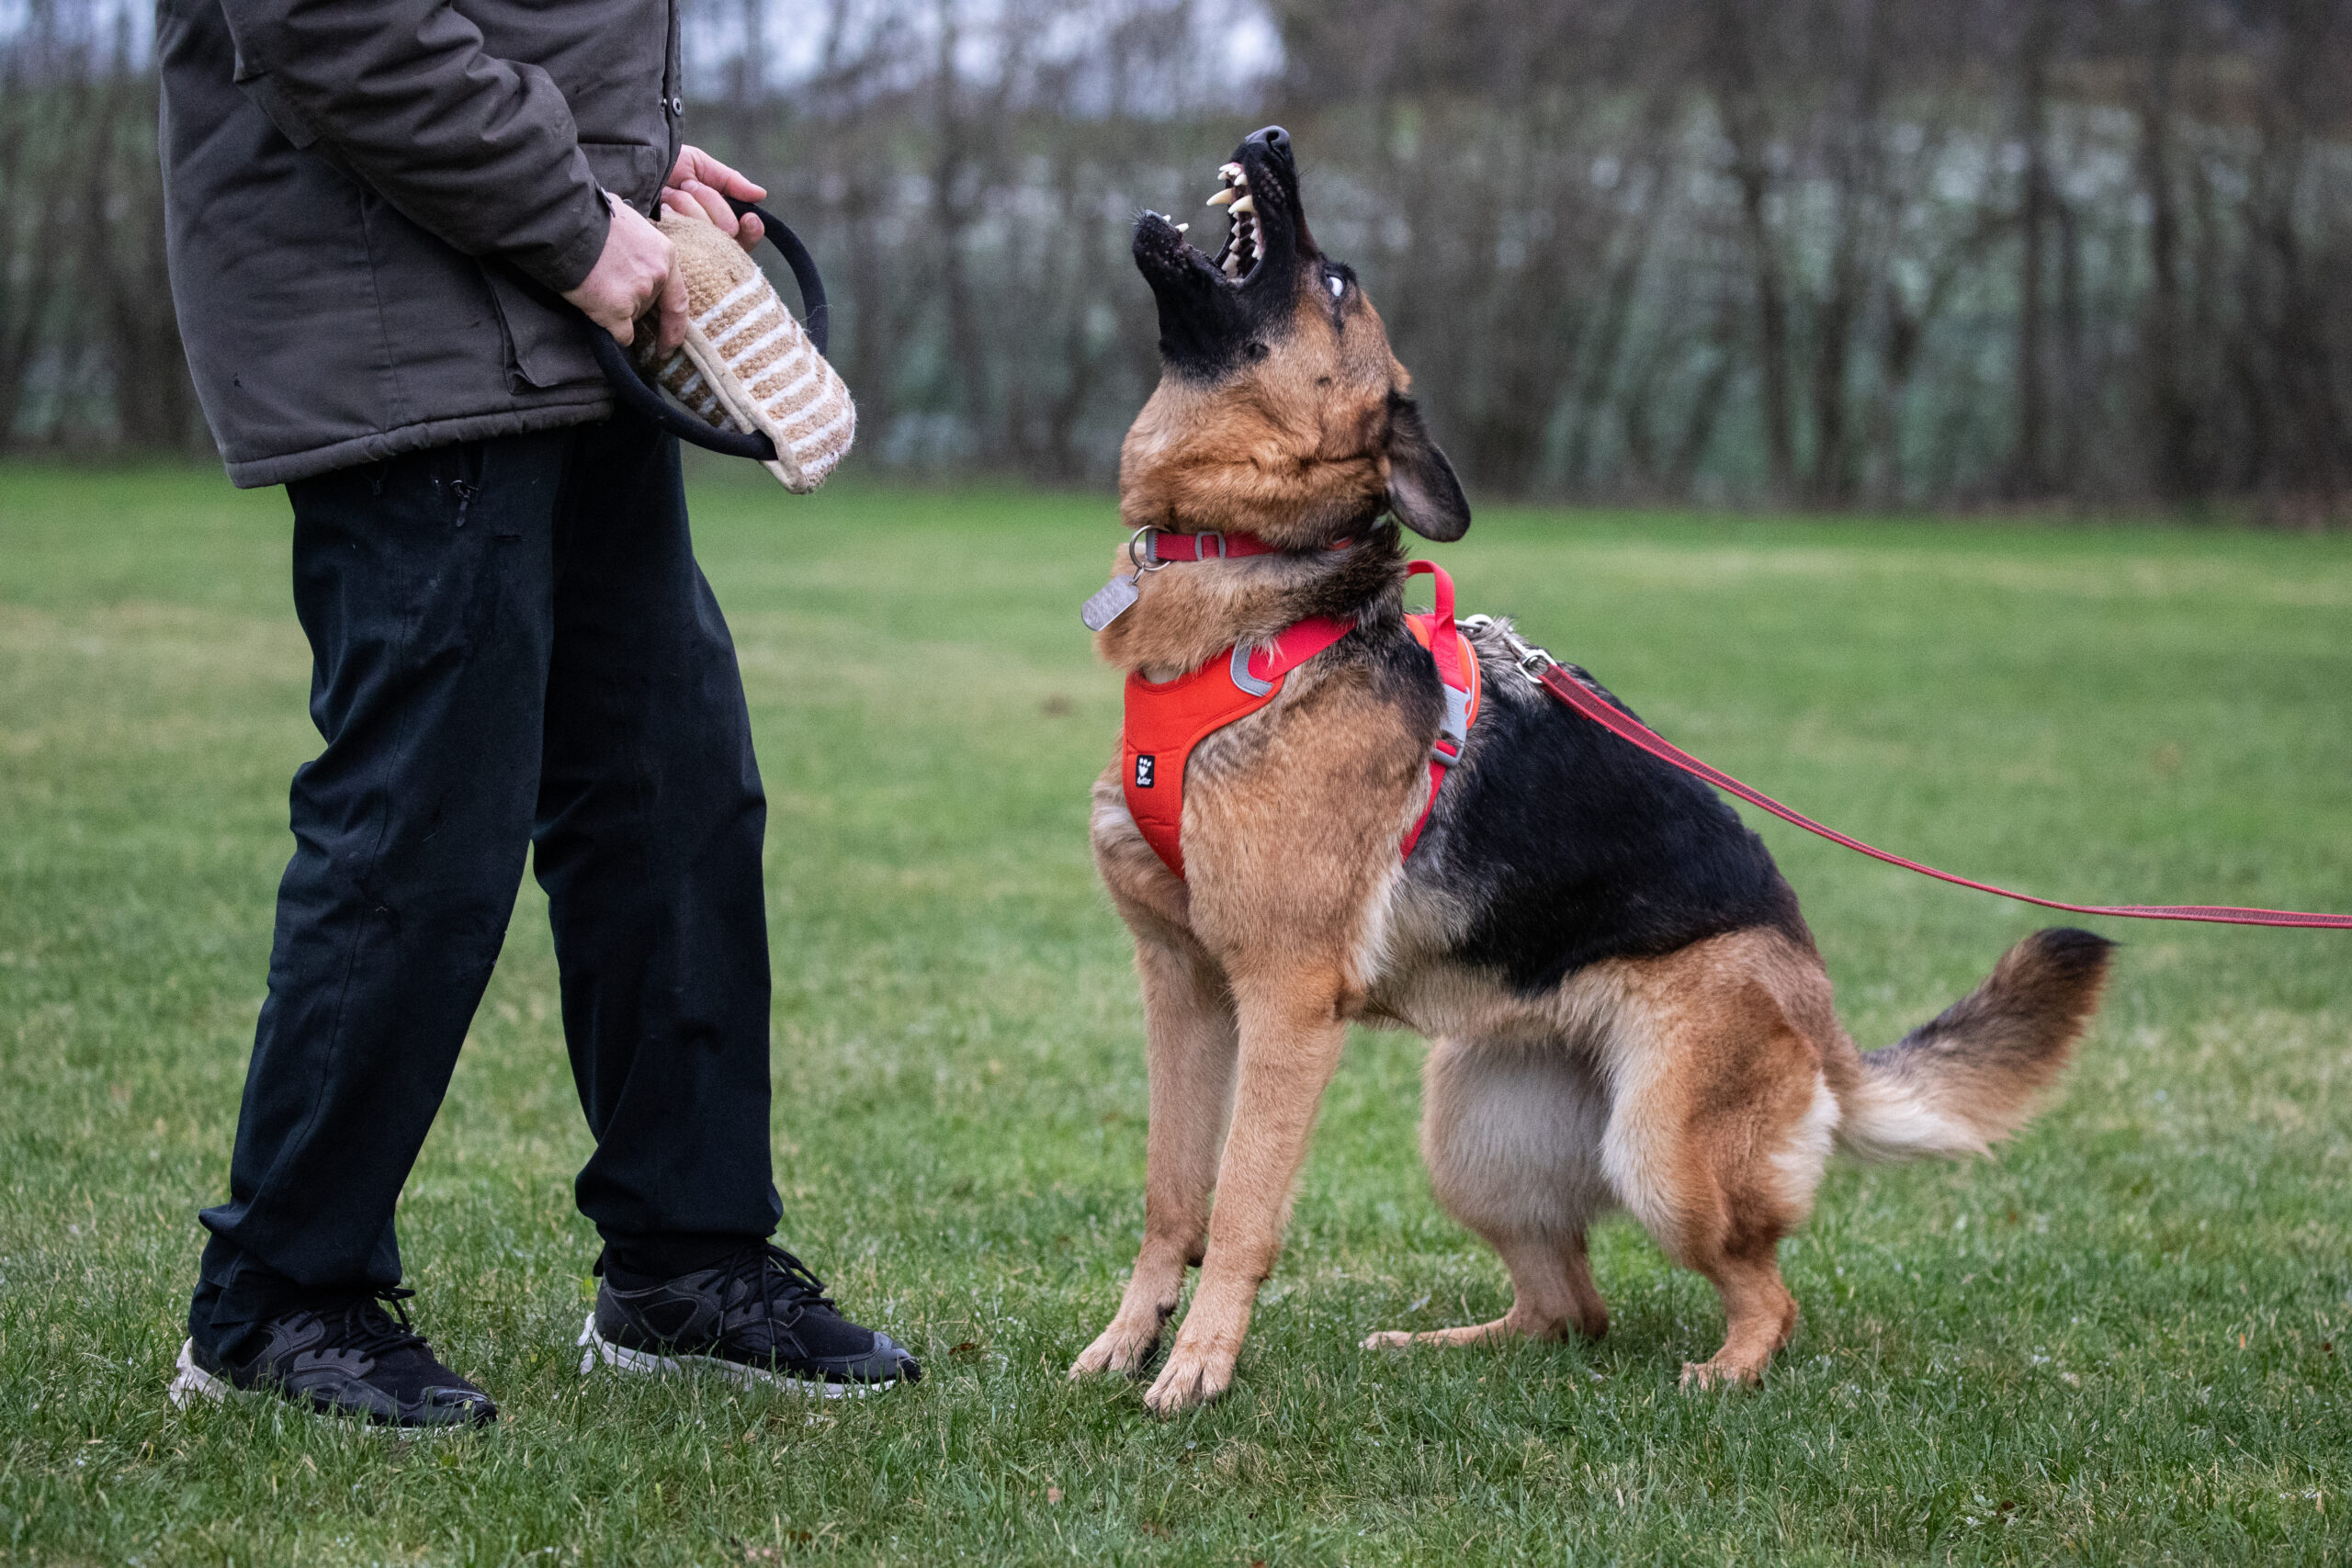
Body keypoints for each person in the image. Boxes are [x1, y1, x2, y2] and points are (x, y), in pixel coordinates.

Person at [155, 0, 919, 1429]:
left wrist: (637, 173)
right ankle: (273, 1298)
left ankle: (684, 1261)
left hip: (556, 314)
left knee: (672, 785)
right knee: (424, 815)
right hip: (407, 316)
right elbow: (334, 20)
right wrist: (576, 219)